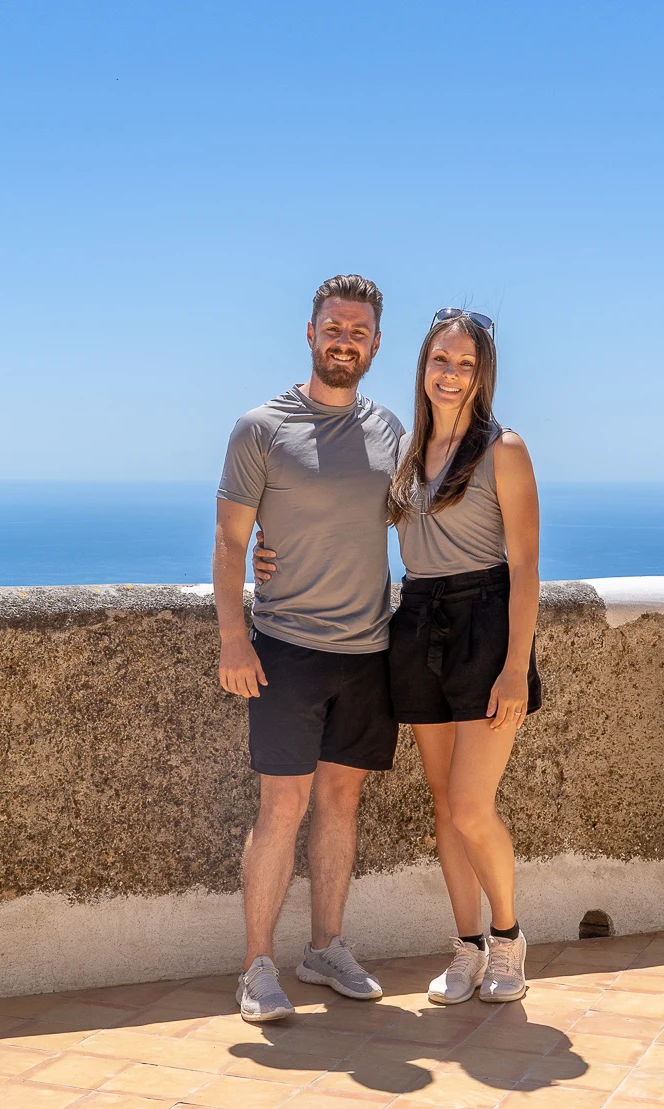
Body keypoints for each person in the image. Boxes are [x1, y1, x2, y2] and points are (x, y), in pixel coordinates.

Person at [213, 274, 405, 1023]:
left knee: (341, 802)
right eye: (334, 326)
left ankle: (326, 947)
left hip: (368, 652)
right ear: (310, 331)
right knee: (281, 807)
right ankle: (256, 965)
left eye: (358, 331)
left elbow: (420, 516)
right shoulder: (261, 428)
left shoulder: (391, 430)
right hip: (285, 649)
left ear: (375, 344)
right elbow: (231, 543)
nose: (345, 340)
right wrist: (235, 635)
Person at [387, 309, 541, 1005]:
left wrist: (514, 668)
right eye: (440, 362)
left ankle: (508, 940)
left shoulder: (504, 449)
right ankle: (467, 947)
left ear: (483, 377)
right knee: (446, 806)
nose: (450, 376)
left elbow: (528, 566)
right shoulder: (404, 452)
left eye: (464, 365)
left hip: (485, 626)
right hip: (418, 624)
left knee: (475, 807)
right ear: (423, 368)